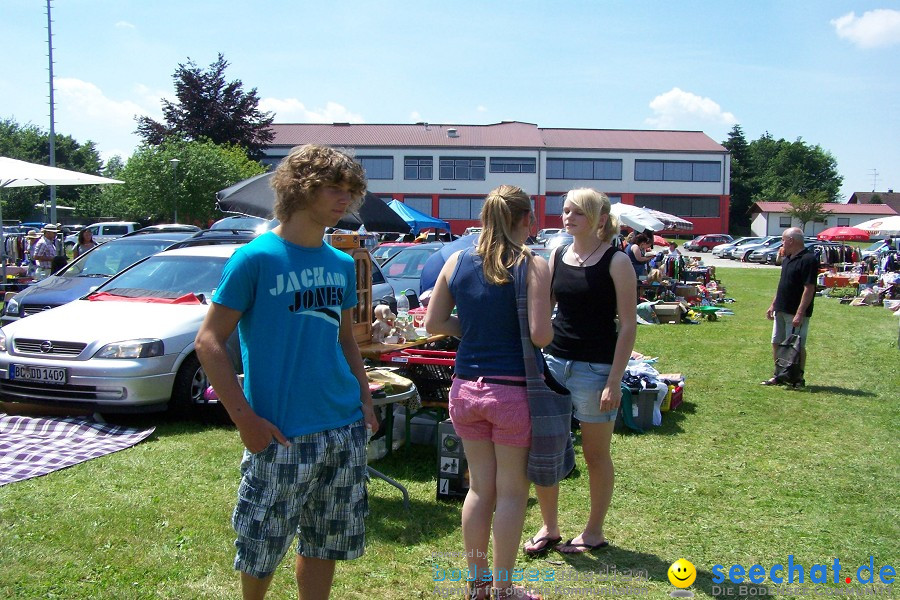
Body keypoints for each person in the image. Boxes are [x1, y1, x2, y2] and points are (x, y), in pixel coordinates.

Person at [195, 144, 378, 600]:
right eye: (334, 188)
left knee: (325, 541)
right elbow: (209, 341)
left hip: (342, 424)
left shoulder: (340, 262)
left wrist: (366, 400)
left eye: (351, 190)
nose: (345, 199)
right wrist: (245, 421)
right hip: (280, 432)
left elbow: (346, 341)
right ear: (301, 188)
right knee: (261, 543)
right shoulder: (255, 258)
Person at [425, 185, 553, 600]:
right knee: (513, 492)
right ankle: (503, 589)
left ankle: (477, 586)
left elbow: (434, 324)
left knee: (480, 489)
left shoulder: (456, 261)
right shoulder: (533, 264)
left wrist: (475, 330)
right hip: (512, 391)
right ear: (525, 219)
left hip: (465, 390)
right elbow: (539, 335)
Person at [523, 189, 636, 556]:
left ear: (599, 219)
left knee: (595, 454)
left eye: (577, 213)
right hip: (555, 363)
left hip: (596, 369)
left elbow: (629, 325)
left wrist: (615, 380)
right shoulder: (557, 254)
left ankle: (594, 531)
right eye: (565, 211)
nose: (567, 217)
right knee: (547, 448)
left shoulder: (617, 261)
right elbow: (545, 308)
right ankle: (550, 527)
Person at [762, 227, 817, 388]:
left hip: (795, 311)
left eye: (783, 239)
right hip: (781, 308)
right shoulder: (787, 259)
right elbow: (783, 284)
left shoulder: (808, 259)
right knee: (777, 342)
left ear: (791, 240)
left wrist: (800, 313)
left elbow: (809, 288)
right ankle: (779, 374)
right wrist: (773, 304)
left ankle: (798, 378)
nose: (782, 242)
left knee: (796, 346)